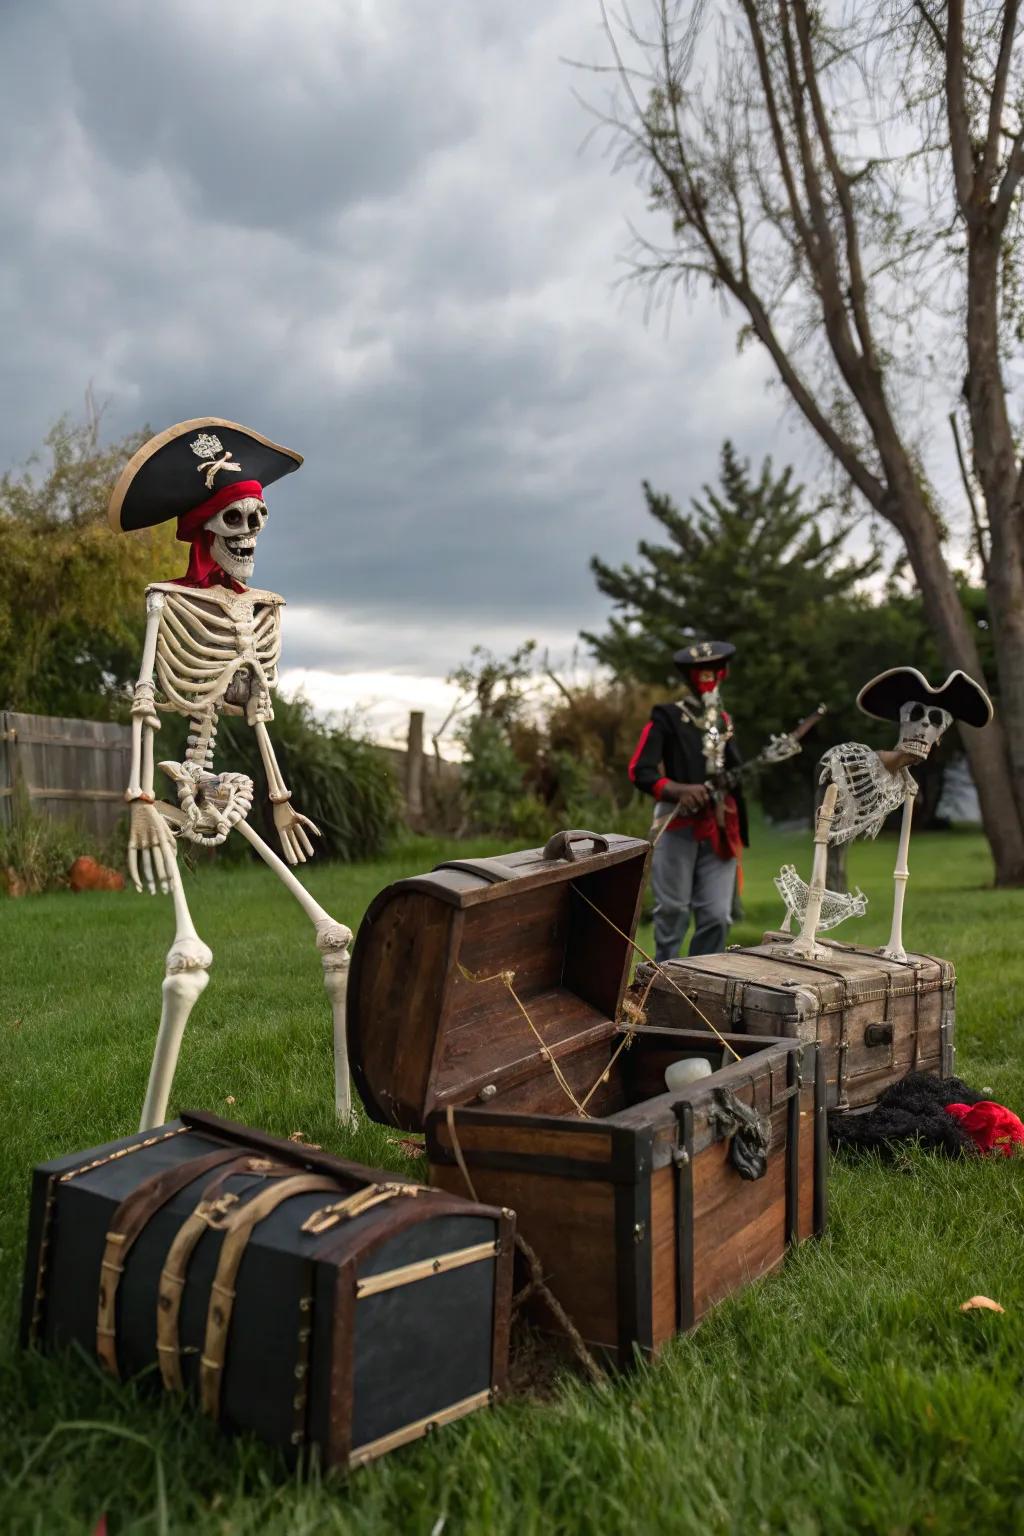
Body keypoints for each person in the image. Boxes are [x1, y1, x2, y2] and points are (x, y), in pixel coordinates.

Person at [628, 640, 748, 960]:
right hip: (677, 822)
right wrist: (679, 789)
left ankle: (703, 981)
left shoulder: (723, 721)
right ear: (689, 677)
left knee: (717, 915)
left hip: (720, 826)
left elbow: (736, 773)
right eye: (701, 673)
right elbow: (640, 770)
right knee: (673, 911)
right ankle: (663, 979)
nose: (709, 679)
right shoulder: (667, 716)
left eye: (714, 672)